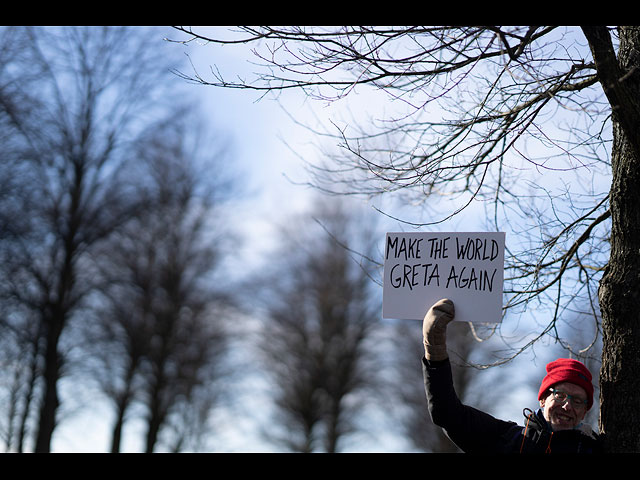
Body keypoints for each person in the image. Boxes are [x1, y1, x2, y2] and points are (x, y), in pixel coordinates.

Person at [422, 298, 604, 453]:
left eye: (578, 401)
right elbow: (447, 414)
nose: (567, 406)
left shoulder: (595, 449)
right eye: (560, 395)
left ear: (584, 412)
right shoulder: (507, 439)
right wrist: (434, 347)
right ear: (543, 400)